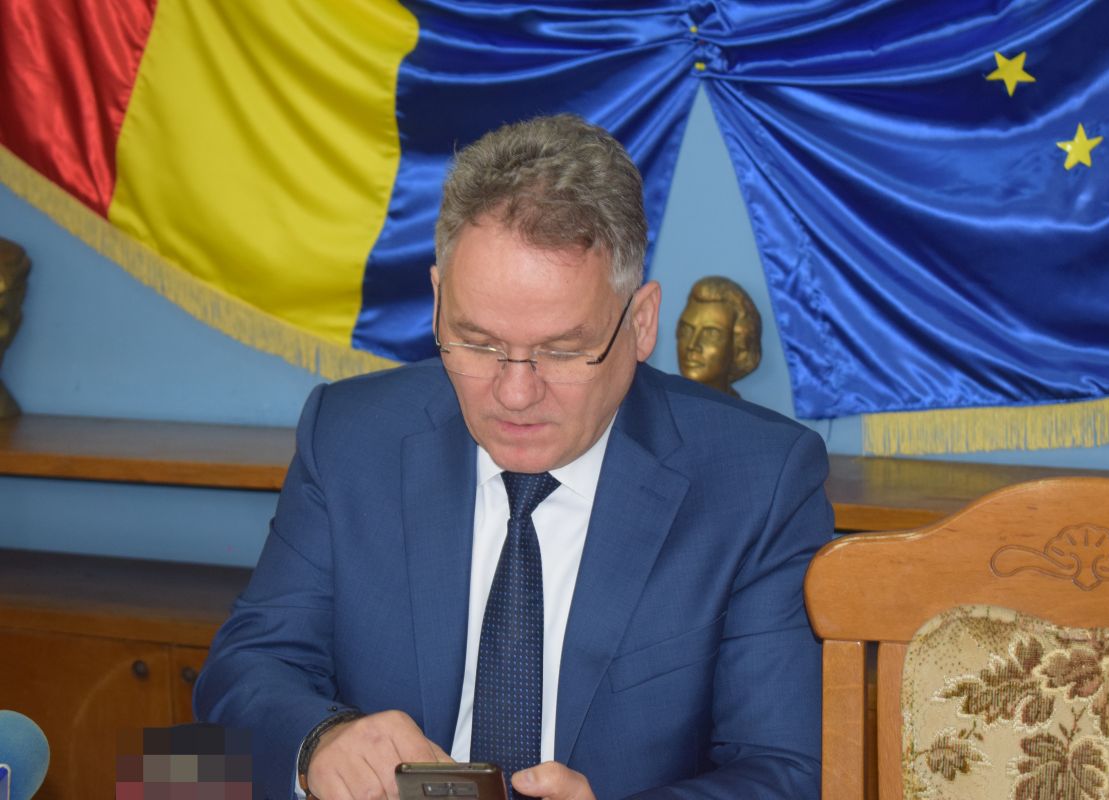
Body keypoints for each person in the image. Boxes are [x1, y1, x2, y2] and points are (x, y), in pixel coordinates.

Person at [195, 114, 832, 800]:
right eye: (478, 343)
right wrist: (321, 742)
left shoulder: (759, 480)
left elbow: (784, 771)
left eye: (562, 351)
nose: (516, 393)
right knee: (151, 777)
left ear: (642, 323)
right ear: (438, 303)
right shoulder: (351, 436)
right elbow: (247, 667)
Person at [675, 276, 762, 398]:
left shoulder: (737, 412)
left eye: (711, 333)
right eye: (687, 330)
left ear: (738, 348)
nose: (692, 345)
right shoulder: (656, 405)